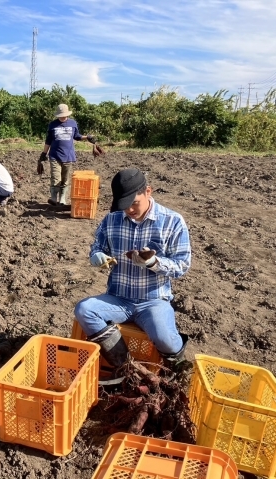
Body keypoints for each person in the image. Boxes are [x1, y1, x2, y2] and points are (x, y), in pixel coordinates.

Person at [74, 168, 191, 371]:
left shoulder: (172, 222)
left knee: (166, 340)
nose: (129, 210)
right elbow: (98, 247)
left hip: (153, 301)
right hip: (119, 299)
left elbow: (182, 265)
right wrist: (97, 256)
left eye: (134, 203)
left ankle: (178, 368)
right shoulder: (112, 220)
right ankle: (127, 367)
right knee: (85, 309)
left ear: (148, 191)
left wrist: (154, 263)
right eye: (124, 205)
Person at [36, 104, 96, 206]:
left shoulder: (73, 123)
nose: (62, 117)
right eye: (60, 116)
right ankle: (54, 198)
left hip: (68, 156)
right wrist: (44, 153)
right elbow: (48, 140)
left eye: (64, 115)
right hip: (54, 155)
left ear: (67, 114)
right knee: (55, 177)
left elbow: (76, 136)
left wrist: (87, 137)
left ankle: (63, 199)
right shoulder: (52, 125)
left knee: (65, 178)